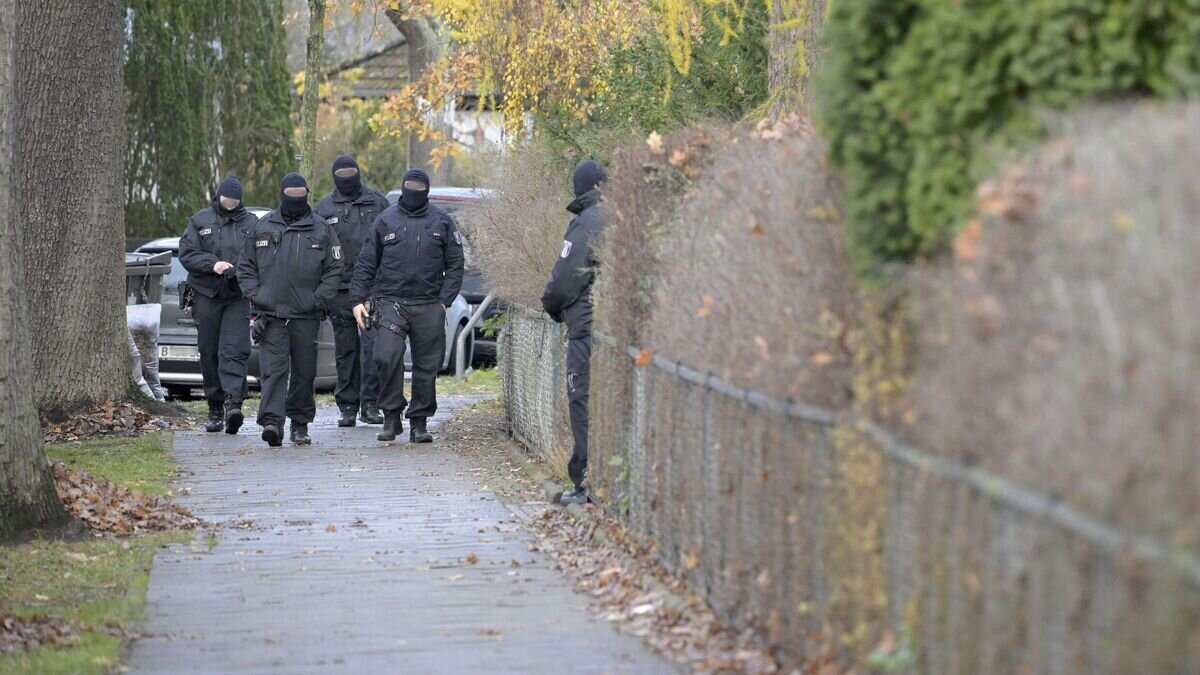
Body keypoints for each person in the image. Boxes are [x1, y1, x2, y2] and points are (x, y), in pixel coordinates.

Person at [350, 168, 464, 444]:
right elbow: (366, 263)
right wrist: (356, 300)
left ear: (426, 189)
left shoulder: (442, 222)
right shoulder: (385, 220)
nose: (414, 189)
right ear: (403, 187)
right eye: (410, 185)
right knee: (385, 356)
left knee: (427, 365)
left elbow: (456, 263)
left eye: (419, 186)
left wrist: (444, 302)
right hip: (390, 302)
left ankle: (419, 422)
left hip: (428, 304)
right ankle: (391, 416)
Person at [236, 173, 342, 447]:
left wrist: (318, 299)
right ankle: (272, 422)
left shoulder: (322, 229)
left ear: (307, 194)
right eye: (290, 194)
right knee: (273, 371)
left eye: (300, 194)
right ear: (282, 193)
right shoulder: (262, 227)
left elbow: (334, 270)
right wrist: (256, 296)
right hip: (271, 315)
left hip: (306, 315)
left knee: (305, 372)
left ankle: (300, 424)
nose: (295, 199)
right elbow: (245, 266)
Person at [540, 160, 608, 506]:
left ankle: (586, 484)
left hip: (587, 328)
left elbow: (566, 277)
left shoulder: (587, 224)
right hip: (615, 331)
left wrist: (552, 305)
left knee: (582, 400)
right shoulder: (624, 217)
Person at [315, 155, 391, 428]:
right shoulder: (324, 208)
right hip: (339, 290)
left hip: (372, 289)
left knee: (372, 348)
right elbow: (316, 252)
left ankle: (370, 403)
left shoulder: (378, 203)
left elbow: (390, 244)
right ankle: (347, 406)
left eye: (351, 172)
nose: (347, 177)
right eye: (342, 173)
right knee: (345, 351)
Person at [178, 176, 257, 434]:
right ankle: (214, 407)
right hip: (206, 294)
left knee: (233, 351)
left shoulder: (252, 223)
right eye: (226, 200)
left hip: (236, 297)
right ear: (218, 197)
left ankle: (233, 404)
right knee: (209, 352)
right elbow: (187, 253)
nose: (230, 204)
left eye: (235, 200)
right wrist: (213, 264)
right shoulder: (200, 221)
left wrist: (241, 272)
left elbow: (259, 257)